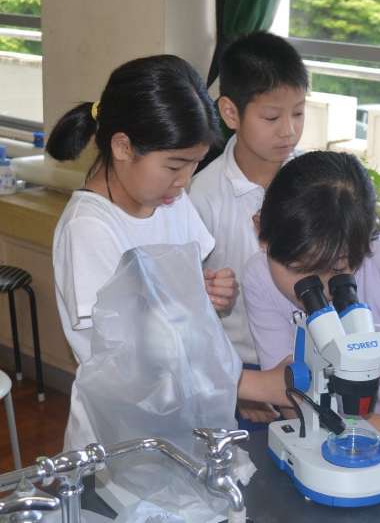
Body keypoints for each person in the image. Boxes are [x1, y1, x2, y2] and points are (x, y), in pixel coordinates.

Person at [47, 54, 288, 450]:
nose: (184, 180)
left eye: (194, 164)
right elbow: (125, 361)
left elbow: (178, 301)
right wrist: (246, 384)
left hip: (185, 419)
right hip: (122, 435)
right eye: (174, 165)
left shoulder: (170, 202)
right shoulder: (88, 229)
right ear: (123, 147)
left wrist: (209, 291)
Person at [242, 150, 380, 453]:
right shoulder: (260, 278)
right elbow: (295, 404)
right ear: (261, 231)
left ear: (365, 243)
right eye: (298, 269)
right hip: (345, 435)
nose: (322, 290)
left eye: (338, 271)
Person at [189, 30, 308, 423]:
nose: (289, 130)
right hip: (239, 369)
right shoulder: (202, 196)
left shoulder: (313, 182)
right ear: (230, 113)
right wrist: (241, 388)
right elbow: (192, 308)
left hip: (309, 360)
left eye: (298, 113)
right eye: (272, 117)